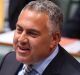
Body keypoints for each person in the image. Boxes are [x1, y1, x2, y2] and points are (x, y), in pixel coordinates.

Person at [0, 0, 80, 75]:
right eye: (19, 30)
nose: (21, 39)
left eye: (32, 33)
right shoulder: (9, 59)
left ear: (54, 39)